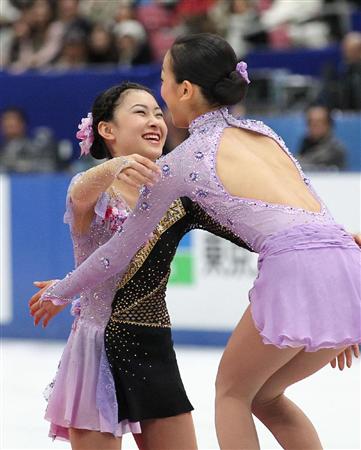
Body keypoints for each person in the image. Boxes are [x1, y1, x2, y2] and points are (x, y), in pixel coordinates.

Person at [39, 34, 361, 449]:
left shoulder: (181, 167)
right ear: (106, 131)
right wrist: (334, 293)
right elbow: (296, 210)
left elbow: (118, 254)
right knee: (264, 395)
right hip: (342, 263)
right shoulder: (261, 131)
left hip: (287, 275)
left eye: (162, 85)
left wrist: (60, 291)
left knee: (233, 393)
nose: (158, 108)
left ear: (185, 89)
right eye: (142, 111)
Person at [30, 81, 251, 450]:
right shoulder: (93, 189)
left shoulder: (176, 190)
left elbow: (250, 226)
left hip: (152, 345)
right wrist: (118, 166)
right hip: (97, 348)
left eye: (157, 112)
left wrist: (330, 239)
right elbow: (79, 191)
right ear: (107, 129)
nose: (155, 120)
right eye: (140, 112)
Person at [297, 105, 346, 171]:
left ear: (328, 125)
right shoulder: (306, 142)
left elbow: (311, 161)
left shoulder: (336, 148)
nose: (313, 126)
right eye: (310, 122)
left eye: (318, 122)